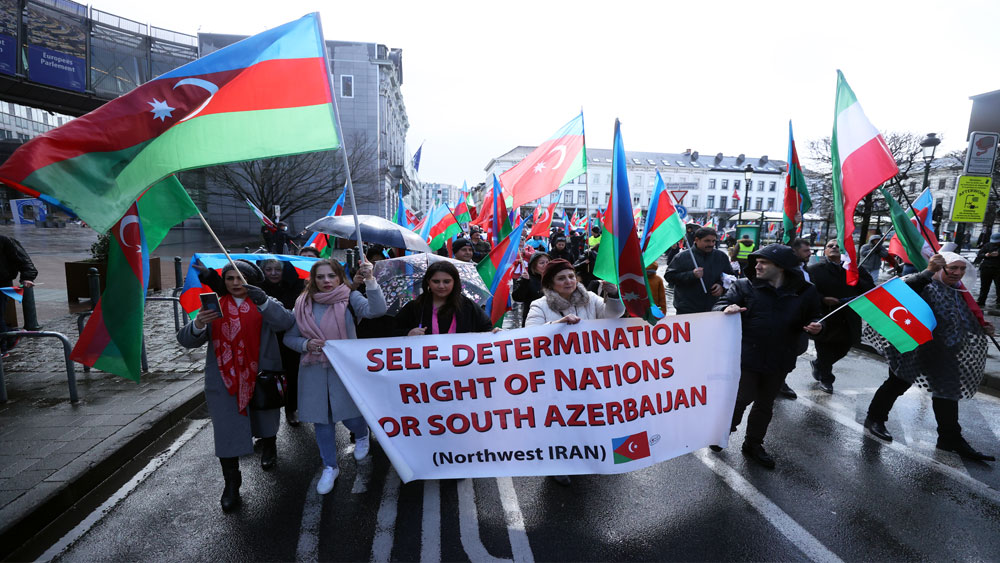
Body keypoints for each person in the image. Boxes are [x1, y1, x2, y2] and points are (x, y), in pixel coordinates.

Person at [176, 259, 295, 512]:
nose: (235, 283)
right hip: (224, 378)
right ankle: (231, 483)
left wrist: (263, 301)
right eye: (230, 278)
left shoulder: (264, 303)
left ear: (251, 280)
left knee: (265, 417)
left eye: (241, 278)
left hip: (260, 374)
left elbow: (286, 323)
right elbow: (186, 340)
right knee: (227, 432)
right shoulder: (215, 307)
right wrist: (198, 324)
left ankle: (269, 444)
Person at [864, 252, 995, 461]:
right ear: (940, 267)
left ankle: (949, 438)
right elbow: (899, 292)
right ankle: (875, 419)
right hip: (915, 349)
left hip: (945, 352)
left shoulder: (957, 291)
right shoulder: (923, 283)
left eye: (962, 269)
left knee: (947, 393)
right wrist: (929, 271)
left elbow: (960, 319)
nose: (958, 273)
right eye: (953, 268)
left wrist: (982, 328)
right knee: (897, 384)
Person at [711, 244, 823, 469]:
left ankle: (753, 444)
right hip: (747, 355)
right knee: (743, 397)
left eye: (763, 262)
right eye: (756, 262)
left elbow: (818, 316)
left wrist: (819, 326)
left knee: (765, 403)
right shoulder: (744, 286)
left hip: (781, 357)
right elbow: (719, 306)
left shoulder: (805, 290)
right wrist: (726, 308)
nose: (757, 266)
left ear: (780, 267)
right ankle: (723, 432)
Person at [285, 259, 386, 494]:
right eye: (320, 277)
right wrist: (306, 343)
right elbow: (289, 338)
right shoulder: (301, 303)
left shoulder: (350, 298)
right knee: (322, 421)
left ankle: (361, 434)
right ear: (313, 279)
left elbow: (377, 310)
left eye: (331, 276)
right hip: (314, 371)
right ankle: (330, 466)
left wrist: (370, 280)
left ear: (340, 277)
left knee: (350, 416)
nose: (326, 281)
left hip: (345, 369)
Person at [525, 258, 624, 485]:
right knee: (559, 421)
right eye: (561, 278)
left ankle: (585, 457)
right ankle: (557, 464)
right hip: (556, 375)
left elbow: (613, 315)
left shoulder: (590, 299)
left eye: (571, 276)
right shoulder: (540, 305)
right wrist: (559, 324)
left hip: (588, 372)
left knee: (586, 416)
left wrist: (615, 294)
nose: (568, 281)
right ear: (550, 283)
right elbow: (529, 335)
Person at [807, 239, 874, 394]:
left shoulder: (856, 269)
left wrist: (858, 276)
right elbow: (808, 291)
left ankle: (818, 364)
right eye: (830, 246)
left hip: (849, 316)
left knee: (844, 347)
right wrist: (822, 298)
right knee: (824, 349)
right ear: (825, 251)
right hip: (825, 316)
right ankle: (826, 378)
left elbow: (869, 290)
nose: (835, 247)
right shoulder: (815, 270)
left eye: (838, 246)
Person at [259, 259, 306, 426]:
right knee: (266, 378)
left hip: (289, 337)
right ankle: (266, 420)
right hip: (266, 338)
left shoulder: (295, 286)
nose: (273, 273)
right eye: (268, 269)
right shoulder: (259, 287)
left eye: (277, 269)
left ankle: (291, 408)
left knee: (292, 375)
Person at [395, 261, 494, 335]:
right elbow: (393, 331)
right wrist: (408, 333)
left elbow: (486, 328)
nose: (441, 286)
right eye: (436, 281)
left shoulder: (468, 306)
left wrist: (497, 335)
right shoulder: (415, 306)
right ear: (428, 282)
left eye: (446, 281)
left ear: (454, 282)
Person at [663, 227, 734, 314]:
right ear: (697, 240)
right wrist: (691, 275)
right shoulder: (682, 257)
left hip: (714, 307)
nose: (711, 244)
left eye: (713, 241)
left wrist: (721, 286)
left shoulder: (721, 256)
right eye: (707, 241)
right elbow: (669, 277)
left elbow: (730, 276)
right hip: (687, 309)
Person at [0, 234, 36, 356]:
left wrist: (27, 277)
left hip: (1, 282)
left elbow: (23, 259)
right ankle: (11, 336)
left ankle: (3, 348)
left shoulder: (4, 240)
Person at [512, 253, 550, 326]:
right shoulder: (527, 279)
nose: (546, 265)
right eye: (542, 263)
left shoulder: (554, 278)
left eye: (547, 262)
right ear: (534, 266)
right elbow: (517, 297)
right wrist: (525, 282)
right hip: (533, 320)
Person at [974, 232, 1000, 308]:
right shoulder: (987, 245)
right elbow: (980, 254)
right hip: (986, 268)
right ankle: (981, 300)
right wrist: (985, 255)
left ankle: (999, 302)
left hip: (998, 269)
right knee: (984, 286)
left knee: (999, 286)